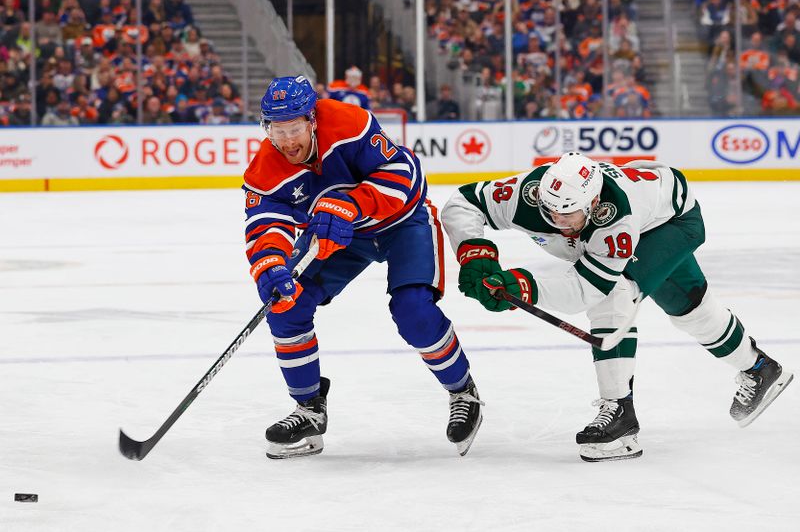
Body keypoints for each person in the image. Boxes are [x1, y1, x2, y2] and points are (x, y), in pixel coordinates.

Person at [441, 152, 793, 462]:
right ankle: (760, 368)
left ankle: (621, 415)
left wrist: (525, 286)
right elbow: (461, 203)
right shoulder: (527, 195)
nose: (558, 223)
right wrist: (475, 253)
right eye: (550, 212)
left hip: (673, 224)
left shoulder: (616, 218)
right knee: (692, 311)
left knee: (615, 295)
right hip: (655, 201)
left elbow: (589, 290)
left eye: (568, 216)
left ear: (594, 204)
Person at [243, 75, 483, 459]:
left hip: (403, 223)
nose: (287, 141)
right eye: (277, 130)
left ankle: (463, 392)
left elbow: (405, 175)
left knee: (413, 312)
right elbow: (263, 226)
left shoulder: (350, 123)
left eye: (294, 128)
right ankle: (309, 410)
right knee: (286, 304)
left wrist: (351, 204)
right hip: (341, 239)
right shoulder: (265, 168)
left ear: (312, 121)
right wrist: (270, 265)